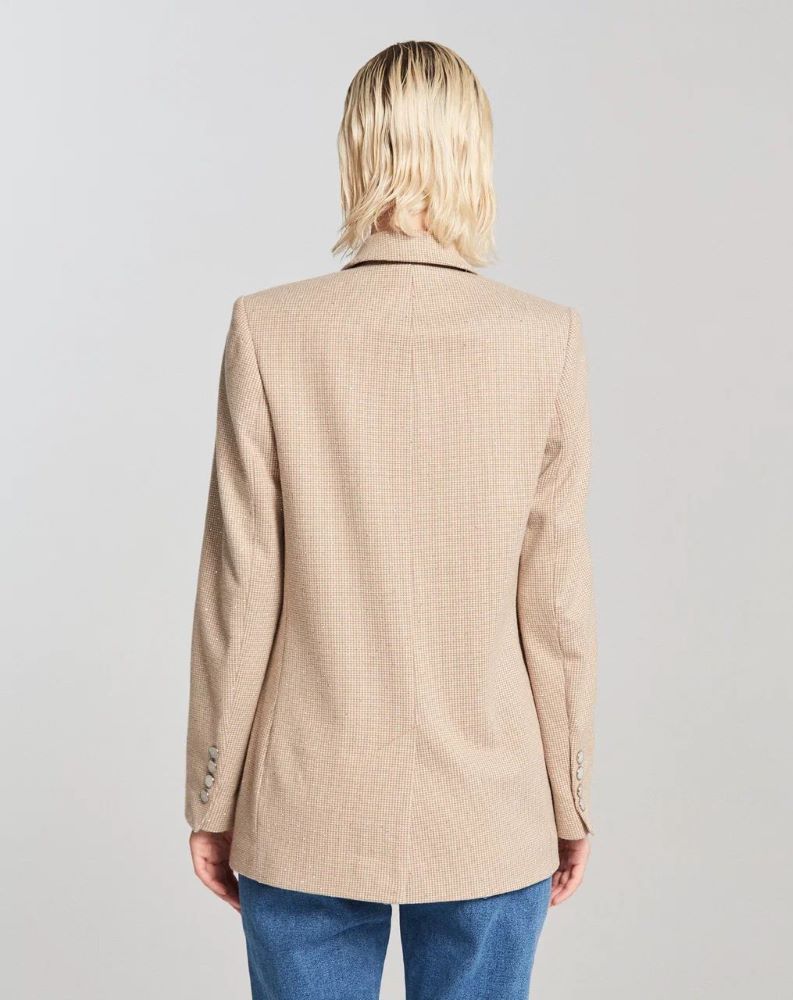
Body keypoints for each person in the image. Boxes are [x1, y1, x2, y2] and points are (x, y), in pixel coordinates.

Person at [185, 39, 596, 1000]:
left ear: (356, 150)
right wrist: (570, 796)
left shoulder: (269, 328)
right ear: (474, 155)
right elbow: (556, 608)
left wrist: (214, 792)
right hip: (494, 807)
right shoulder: (545, 339)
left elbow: (239, 590)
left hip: (305, 803)